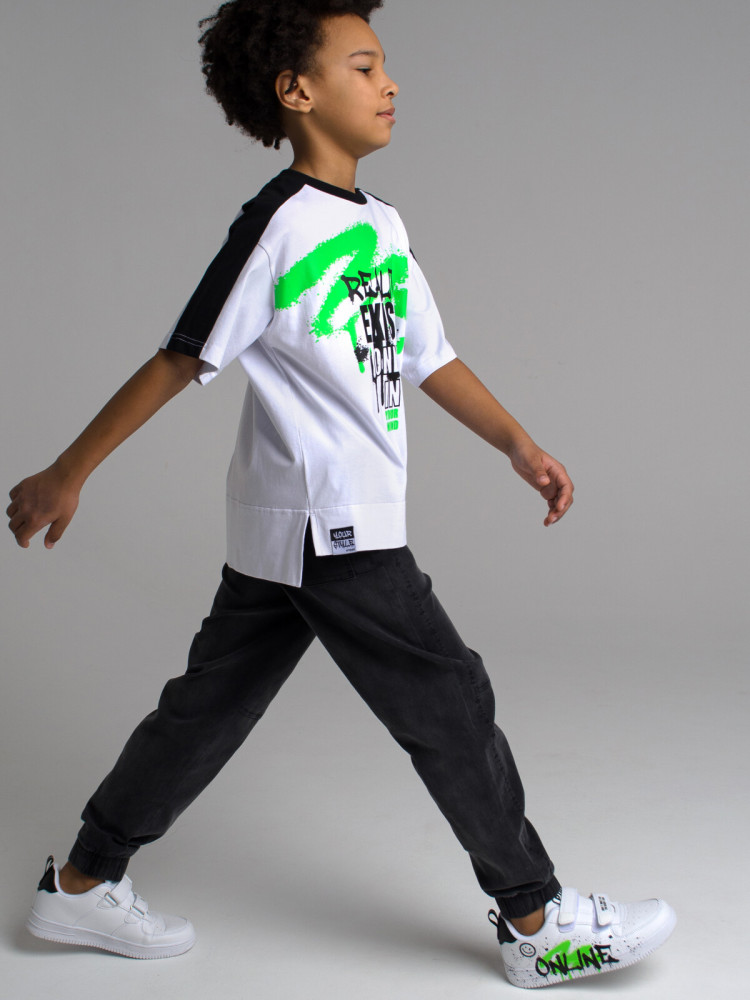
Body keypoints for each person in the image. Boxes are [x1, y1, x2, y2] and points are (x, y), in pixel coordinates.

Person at [7, 0, 675, 988]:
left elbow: (429, 356)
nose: (389, 82)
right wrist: (69, 472)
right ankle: (537, 920)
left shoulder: (380, 225)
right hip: (331, 521)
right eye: (363, 66)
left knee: (208, 708)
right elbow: (183, 355)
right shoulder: (276, 226)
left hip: (299, 530)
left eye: (384, 64)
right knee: (449, 698)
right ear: (298, 91)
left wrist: (518, 444)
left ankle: (82, 883)